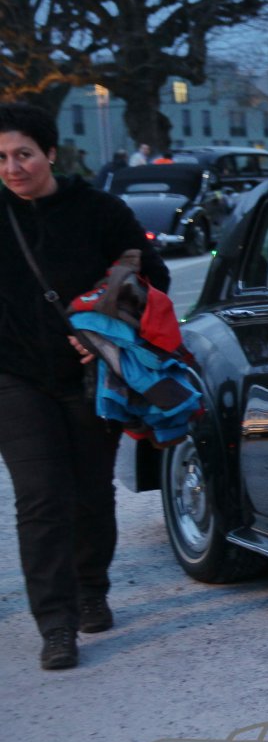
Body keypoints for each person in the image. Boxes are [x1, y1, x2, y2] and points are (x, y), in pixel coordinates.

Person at [0, 102, 170, 670]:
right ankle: (56, 624)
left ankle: (91, 586)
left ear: (50, 152)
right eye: (1, 158)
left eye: (24, 154)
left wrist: (106, 330)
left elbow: (153, 276)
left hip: (92, 377)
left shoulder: (99, 211)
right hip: (14, 377)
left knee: (91, 491)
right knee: (41, 497)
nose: (12, 167)